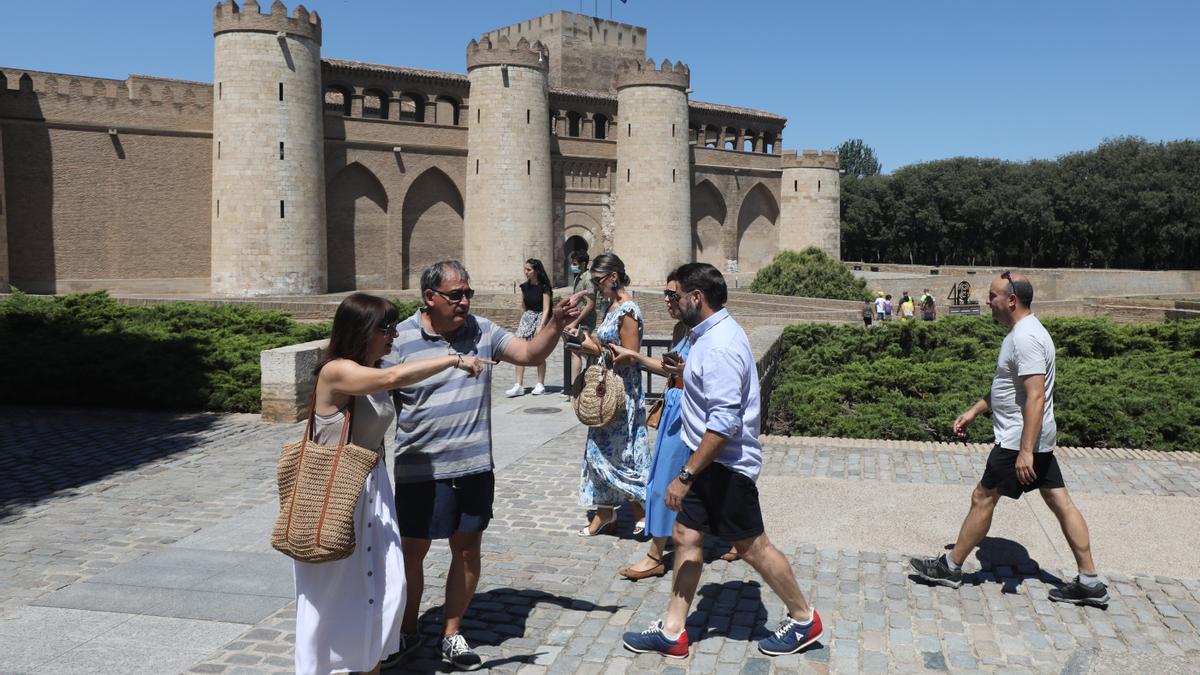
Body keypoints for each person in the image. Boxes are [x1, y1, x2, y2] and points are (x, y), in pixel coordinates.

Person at [385, 261, 582, 671]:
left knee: (468, 549)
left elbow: (529, 352)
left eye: (467, 293)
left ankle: (452, 632)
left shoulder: (482, 330)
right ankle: (406, 629)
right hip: (421, 468)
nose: (464, 301)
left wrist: (556, 324)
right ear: (429, 298)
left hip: (474, 464)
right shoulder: (400, 338)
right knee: (412, 553)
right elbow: (377, 393)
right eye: (455, 294)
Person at [622, 263, 824, 659]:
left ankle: (804, 619)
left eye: (676, 296)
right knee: (685, 537)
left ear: (696, 297)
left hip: (723, 466)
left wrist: (684, 475)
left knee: (753, 548)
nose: (672, 303)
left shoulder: (720, 345)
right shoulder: (706, 338)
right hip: (707, 464)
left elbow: (724, 424)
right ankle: (673, 631)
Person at [294, 293, 491, 675]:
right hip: (336, 492)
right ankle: (326, 666)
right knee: (336, 592)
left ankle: (370, 663)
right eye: (385, 329)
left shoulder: (377, 365)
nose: (393, 336)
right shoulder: (337, 371)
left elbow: (397, 384)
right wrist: (453, 359)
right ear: (362, 331)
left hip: (373, 487)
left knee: (385, 585)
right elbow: (389, 378)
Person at [910, 272, 1109, 607]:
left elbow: (1035, 397)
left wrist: (1025, 452)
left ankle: (951, 567)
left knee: (983, 496)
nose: (987, 301)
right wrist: (974, 411)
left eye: (992, 296)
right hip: (1035, 436)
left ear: (1011, 300)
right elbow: (1007, 388)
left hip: (1019, 439)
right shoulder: (1025, 332)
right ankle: (1090, 581)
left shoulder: (1025, 339)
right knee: (1060, 502)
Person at [574, 253, 652, 538]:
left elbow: (629, 357)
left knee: (625, 453)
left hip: (621, 392)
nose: (596, 286)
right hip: (604, 388)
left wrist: (594, 350)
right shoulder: (611, 307)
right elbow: (606, 344)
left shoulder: (628, 310)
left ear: (614, 277)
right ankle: (605, 514)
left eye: (599, 281)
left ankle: (642, 509)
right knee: (598, 453)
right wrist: (582, 340)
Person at [506, 258, 553, 397]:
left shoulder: (544, 287)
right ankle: (518, 384)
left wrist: (541, 325)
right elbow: (523, 306)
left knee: (539, 352)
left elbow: (546, 308)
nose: (526, 272)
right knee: (519, 351)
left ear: (536, 271)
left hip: (539, 318)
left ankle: (540, 383)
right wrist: (520, 322)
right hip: (527, 319)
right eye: (525, 269)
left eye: (529, 270)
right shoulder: (524, 287)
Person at [562, 250, 598, 401]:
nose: (572, 266)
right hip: (577, 319)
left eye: (575, 264)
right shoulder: (579, 277)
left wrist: (576, 322)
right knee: (577, 351)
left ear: (583, 263)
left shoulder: (588, 278)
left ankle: (578, 389)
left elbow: (590, 304)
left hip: (585, 321)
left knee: (578, 351)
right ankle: (580, 386)